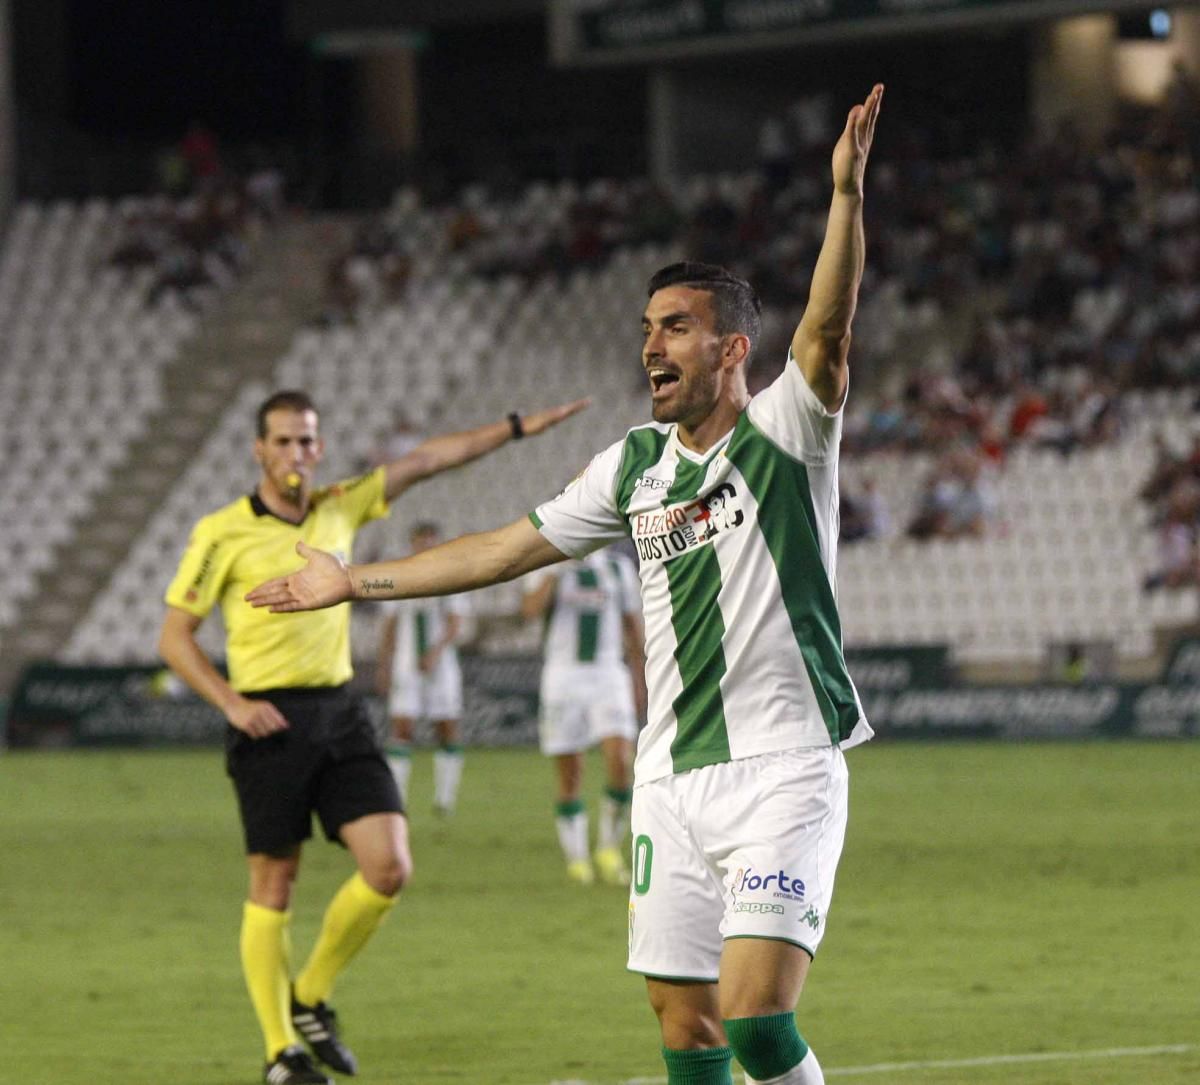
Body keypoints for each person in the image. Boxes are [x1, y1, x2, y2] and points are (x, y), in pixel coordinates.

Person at [248, 84, 883, 1085]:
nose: (651, 346)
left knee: (758, 1016)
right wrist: (352, 581)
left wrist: (844, 199)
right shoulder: (631, 466)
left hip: (785, 765)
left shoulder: (786, 434)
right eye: (647, 327)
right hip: (672, 776)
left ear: (730, 349)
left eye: (676, 327)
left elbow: (828, 333)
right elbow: (502, 549)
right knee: (686, 1025)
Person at [158, 389, 587, 1085]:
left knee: (389, 866)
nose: (298, 452)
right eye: (285, 440)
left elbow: (427, 460)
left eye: (308, 440)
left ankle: (310, 993)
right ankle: (280, 1053)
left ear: (319, 448)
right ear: (259, 450)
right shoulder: (221, 531)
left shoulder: (341, 503)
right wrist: (233, 704)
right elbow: (174, 637)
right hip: (267, 717)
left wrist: (514, 427)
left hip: (340, 708)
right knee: (274, 882)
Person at [519, 548, 646, 885]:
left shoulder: (618, 567)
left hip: (608, 674)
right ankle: (577, 858)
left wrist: (641, 676)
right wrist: (554, 570)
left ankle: (608, 848)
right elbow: (529, 610)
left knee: (621, 760)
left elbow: (633, 627)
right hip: (563, 676)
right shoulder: (547, 561)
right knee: (570, 772)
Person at [377, 521, 472, 815]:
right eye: (422, 542)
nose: (427, 547)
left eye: (432, 542)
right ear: (413, 545)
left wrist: (435, 652)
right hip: (407, 666)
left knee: (446, 728)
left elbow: (456, 624)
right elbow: (390, 627)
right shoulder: (399, 577)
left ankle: (445, 799)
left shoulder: (451, 577)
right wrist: (384, 665)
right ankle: (398, 801)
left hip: (442, 668)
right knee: (402, 728)